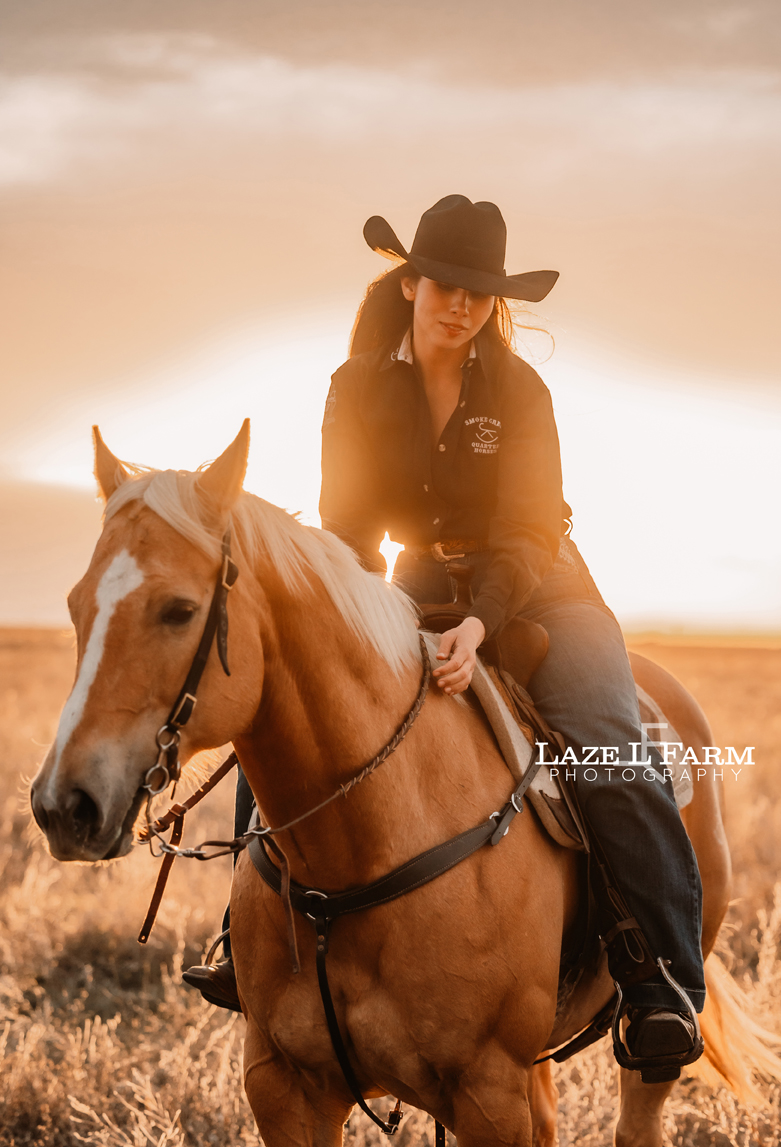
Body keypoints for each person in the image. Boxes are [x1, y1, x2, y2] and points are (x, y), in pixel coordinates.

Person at [185, 195, 704, 1076]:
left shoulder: (519, 390)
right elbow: (349, 530)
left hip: (542, 591)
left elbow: (531, 529)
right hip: (416, 584)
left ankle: (662, 984)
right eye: (444, 286)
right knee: (292, 708)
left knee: (609, 753)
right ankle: (252, 939)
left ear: (491, 303)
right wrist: (344, 614)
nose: (459, 306)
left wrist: (479, 621)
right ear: (412, 282)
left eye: (478, 293)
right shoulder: (356, 385)